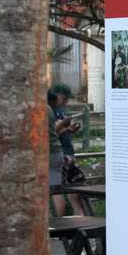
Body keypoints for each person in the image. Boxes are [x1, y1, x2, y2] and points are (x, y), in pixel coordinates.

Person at [48, 88, 79, 216]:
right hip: (59, 152)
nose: (64, 101)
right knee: (59, 191)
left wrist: (64, 126)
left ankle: (58, 226)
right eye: (63, 98)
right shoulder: (51, 110)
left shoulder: (45, 110)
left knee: (56, 192)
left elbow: (50, 132)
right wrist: (67, 128)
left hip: (52, 153)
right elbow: (54, 132)